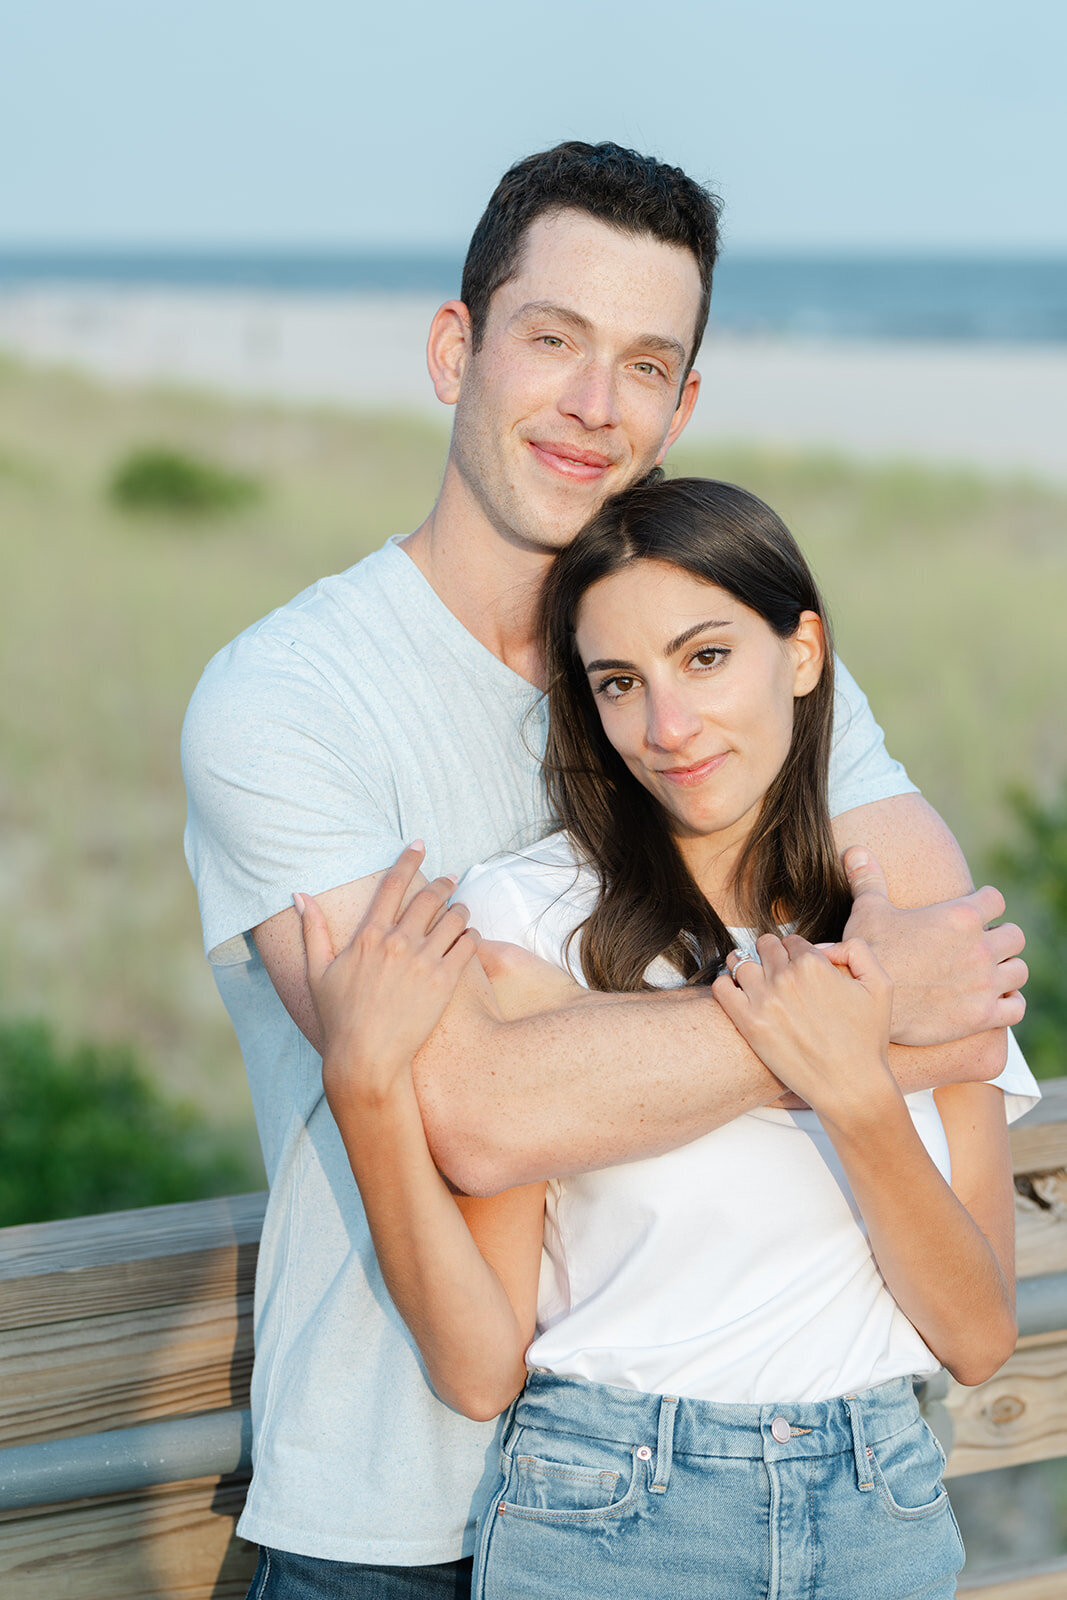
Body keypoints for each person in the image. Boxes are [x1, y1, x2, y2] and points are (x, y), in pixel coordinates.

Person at [181, 143, 1027, 1598]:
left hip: (787, 1496)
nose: (592, 405)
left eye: (644, 362)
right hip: (391, 1507)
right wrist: (834, 1022)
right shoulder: (288, 697)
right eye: (552, 339)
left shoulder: (728, 680)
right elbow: (473, 1111)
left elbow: (941, 955)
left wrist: (856, 1008)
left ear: (683, 405)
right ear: (457, 348)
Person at [295, 475, 1037, 1600]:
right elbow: (478, 1364)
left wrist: (851, 1085)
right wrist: (363, 1086)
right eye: (618, 683)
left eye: (704, 658)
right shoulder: (528, 919)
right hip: (606, 1514)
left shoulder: (902, 928)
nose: (668, 727)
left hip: (877, 1511)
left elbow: (978, 1336)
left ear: (800, 651)